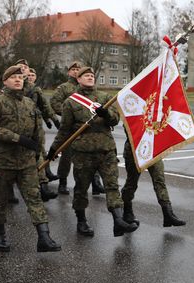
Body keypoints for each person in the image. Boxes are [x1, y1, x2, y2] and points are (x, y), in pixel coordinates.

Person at [47, 66, 138, 237]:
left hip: (106, 150)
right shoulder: (71, 102)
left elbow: (115, 119)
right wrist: (54, 149)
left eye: (91, 75)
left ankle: (118, 221)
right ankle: (81, 221)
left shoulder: (105, 97)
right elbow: (65, 130)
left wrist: (105, 114)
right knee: (81, 188)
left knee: (112, 186)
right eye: (85, 75)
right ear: (78, 80)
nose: (89, 77)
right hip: (83, 153)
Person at [0, 65, 61, 253]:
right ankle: (0, 236)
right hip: (2, 162)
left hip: (26, 162)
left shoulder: (29, 103)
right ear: (5, 81)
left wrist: (40, 151)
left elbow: (37, 132)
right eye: (13, 77)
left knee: (34, 198)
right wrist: (18, 138)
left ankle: (44, 237)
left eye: (20, 77)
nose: (18, 80)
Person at [49, 61, 105, 196]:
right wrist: (69, 114)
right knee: (67, 156)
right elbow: (54, 102)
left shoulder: (90, 88)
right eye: (73, 69)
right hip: (71, 127)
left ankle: (96, 183)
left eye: (78, 69)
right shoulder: (64, 87)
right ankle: (62, 182)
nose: (76, 71)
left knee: (93, 155)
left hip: (89, 128)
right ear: (69, 72)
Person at [120, 130, 186, 227]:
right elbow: (130, 128)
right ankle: (127, 211)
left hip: (153, 148)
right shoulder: (131, 113)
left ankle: (168, 213)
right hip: (135, 149)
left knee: (159, 180)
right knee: (132, 183)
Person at [14, 59, 58, 201]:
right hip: (14, 130)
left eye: (25, 67)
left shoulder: (35, 89)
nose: (23, 69)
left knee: (38, 155)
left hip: (33, 128)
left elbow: (45, 107)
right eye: (19, 67)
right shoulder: (9, 87)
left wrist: (55, 121)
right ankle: (8, 191)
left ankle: (43, 187)